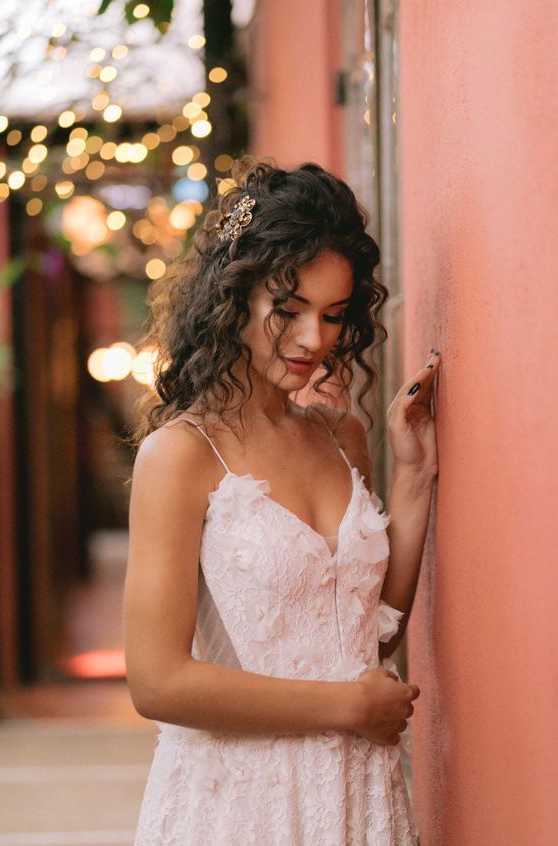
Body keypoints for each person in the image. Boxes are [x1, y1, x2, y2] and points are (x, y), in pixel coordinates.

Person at [124, 156, 440, 845]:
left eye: (333, 315)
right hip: (241, 806)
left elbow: (372, 628)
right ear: (234, 294)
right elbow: (156, 682)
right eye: (288, 310)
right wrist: (347, 707)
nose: (313, 340)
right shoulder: (179, 457)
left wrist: (413, 476)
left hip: (358, 793)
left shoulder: (340, 434)